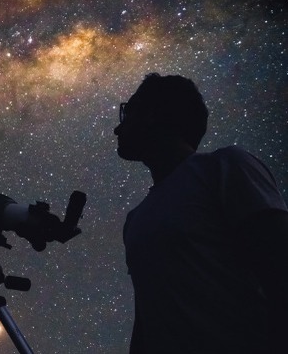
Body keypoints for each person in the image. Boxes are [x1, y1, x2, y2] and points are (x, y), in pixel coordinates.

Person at [114, 73, 288, 353]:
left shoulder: (225, 167)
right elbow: (147, 316)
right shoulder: (136, 219)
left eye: (127, 113)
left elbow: (279, 265)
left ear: (153, 115)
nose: (117, 130)